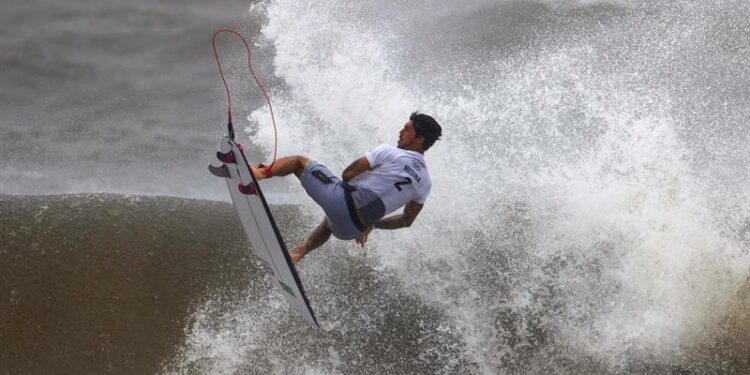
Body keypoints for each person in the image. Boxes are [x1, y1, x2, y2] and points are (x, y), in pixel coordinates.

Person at [251, 112, 442, 264]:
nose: (400, 132)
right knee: (330, 221)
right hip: (350, 230)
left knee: (298, 161)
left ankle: (259, 174)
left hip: (340, 202)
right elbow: (406, 221)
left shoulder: (389, 152)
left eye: (407, 130)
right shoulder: (425, 182)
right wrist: (371, 224)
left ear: (419, 139)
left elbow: (347, 174)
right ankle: (298, 253)